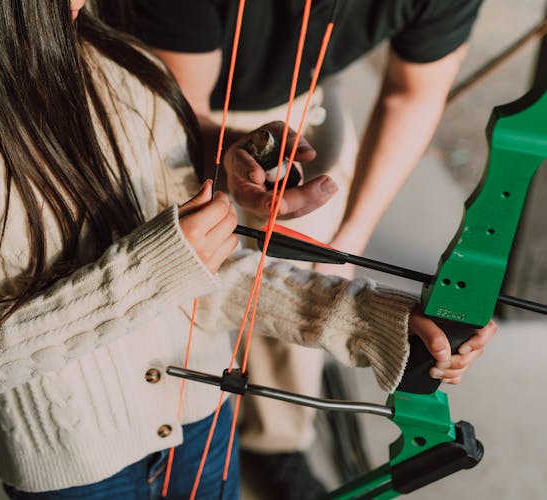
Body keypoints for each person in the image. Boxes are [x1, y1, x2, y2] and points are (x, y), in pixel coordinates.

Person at [0, 1, 495, 499]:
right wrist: (161, 262)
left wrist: (374, 323)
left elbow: (210, 275)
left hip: (205, 426)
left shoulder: (125, 65)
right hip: (82, 475)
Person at [103, 1, 486, 496]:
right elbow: (178, 111)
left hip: (297, 103)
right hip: (163, 97)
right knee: (177, 261)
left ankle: (275, 440)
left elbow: (412, 94)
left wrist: (350, 238)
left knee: (308, 260)